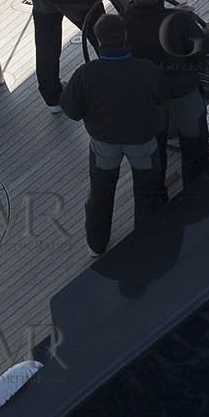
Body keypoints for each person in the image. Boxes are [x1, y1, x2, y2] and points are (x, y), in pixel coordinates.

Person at [60, 14, 166, 255]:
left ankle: (97, 244)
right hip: (142, 140)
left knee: (100, 191)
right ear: (125, 37)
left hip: (104, 142)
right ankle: (147, 240)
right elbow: (162, 97)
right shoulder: (146, 69)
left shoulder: (86, 74)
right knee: (147, 190)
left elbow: (72, 110)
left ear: (98, 40)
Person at [122, 0, 209, 188]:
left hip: (148, 100)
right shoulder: (179, 21)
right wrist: (208, 34)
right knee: (195, 147)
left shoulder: (122, 24)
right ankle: (198, 193)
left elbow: (150, 22)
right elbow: (202, 54)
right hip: (182, 93)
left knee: (155, 153)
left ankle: (157, 201)